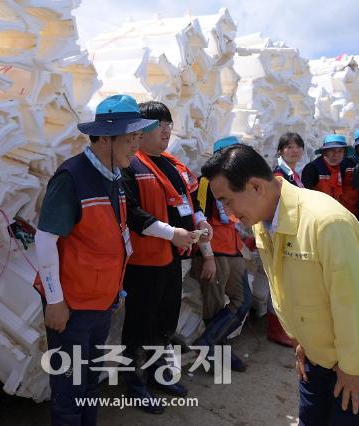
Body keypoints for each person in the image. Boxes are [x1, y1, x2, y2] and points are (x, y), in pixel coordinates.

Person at [202, 144, 359, 425]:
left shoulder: (326, 222)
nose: (228, 212)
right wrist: (302, 340)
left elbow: (353, 302)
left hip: (357, 366)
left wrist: (353, 368)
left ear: (256, 187)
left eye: (227, 201)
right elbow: (287, 289)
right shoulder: (264, 221)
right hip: (316, 358)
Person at [34, 94, 153, 425]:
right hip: (71, 307)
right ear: (104, 137)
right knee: (69, 389)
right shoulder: (72, 177)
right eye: (130, 139)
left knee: (89, 383)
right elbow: (45, 239)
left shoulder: (114, 176)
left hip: (101, 302)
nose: (135, 146)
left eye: (138, 138)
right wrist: (55, 300)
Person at [120, 101, 213, 413]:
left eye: (168, 123)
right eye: (157, 123)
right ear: (138, 129)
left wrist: (200, 222)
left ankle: (159, 374)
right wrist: (172, 233)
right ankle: (134, 383)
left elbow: (190, 201)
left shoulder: (174, 165)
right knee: (139, 324)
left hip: (172, 259)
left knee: (165, 321)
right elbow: (131, 213)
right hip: (143, 263)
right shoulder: (129, 165)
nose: (165, 129)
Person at [192, 136, 253, 372]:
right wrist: (206, 256)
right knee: (215, 306)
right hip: (213, 251)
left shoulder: (235, 185)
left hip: (232, 248)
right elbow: (199, 219)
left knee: (242, 299)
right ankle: (217, 355)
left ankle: (208, 343)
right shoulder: (206, 183)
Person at [270, 132, 305, 346]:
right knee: (278, 281)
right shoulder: (279, 174)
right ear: (281, 150)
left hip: (290, 230)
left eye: (298, 146)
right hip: (281, 231)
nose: (294, 150)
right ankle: (276, 328)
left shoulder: (293, 173)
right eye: (289, 147)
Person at [302, 134, 359, 216]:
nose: (336, 155)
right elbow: (305, 198)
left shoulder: (343, 167)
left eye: (340, 151)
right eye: (332, 150)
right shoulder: (312, 168)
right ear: (324, 152)